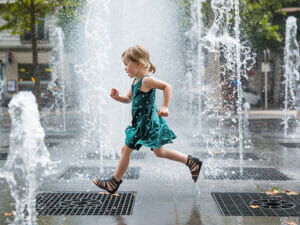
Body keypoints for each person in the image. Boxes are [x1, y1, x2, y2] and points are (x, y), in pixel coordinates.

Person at [93, 45, 203, 194]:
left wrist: (165, 106)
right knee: (159, 152)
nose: (125, 68)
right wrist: (118, 97)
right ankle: (191, 162)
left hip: (146, 123)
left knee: (126, 149)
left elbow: (167, 87)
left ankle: (114, 182)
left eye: (127, 64)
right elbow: (129, 98)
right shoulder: (135, 81)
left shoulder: (147, 80)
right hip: (141, 122)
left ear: (138, 63)